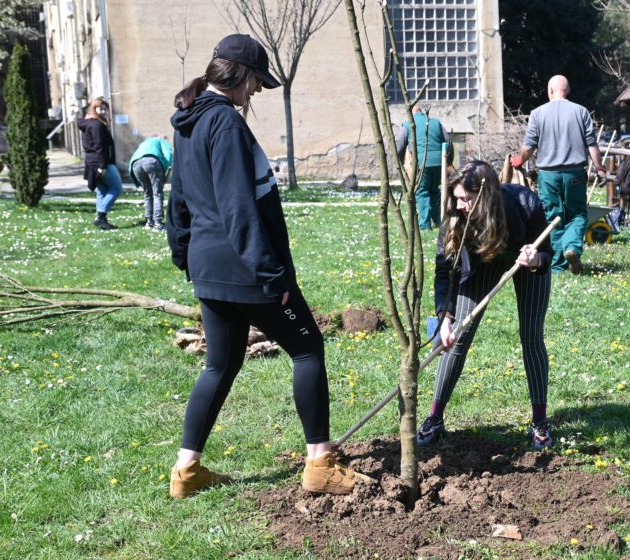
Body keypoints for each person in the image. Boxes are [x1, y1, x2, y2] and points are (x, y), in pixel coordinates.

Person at [166, 34, 365, 498]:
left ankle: (186, 471)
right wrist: (271, 275)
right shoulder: (225, 123)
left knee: (220, 365)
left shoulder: (188, 119)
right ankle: (320, 464)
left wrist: (183, 252)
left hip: (209, 265)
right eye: (257, 82)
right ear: (243, 75)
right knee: (307, 347)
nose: (257, 91)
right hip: (245, 268)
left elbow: (179, 197)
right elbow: (238, 206)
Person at [416, 160, 555, 450]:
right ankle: (434, 417)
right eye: (456, 197)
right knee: (456, 337)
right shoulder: (455, 218)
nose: (459, 204)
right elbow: (445, 271)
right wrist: (445, 317)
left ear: (485, 196)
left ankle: (539, 421)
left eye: (465, 199)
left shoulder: (525, 204)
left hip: (524, 264)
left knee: (531, 336)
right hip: (481, 266)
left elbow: (545, 256)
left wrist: (534, 260)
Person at [512, 75, 604, 274]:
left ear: (550, 90)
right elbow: (591, 143)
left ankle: (558, 266)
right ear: (567, 90)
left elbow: (529, 146)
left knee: (552, 216)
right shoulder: (581, 111)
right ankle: (572, 248)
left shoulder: (538, 113)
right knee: (577, 214)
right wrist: (599, 166)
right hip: (575, 174)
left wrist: (520, 159)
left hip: (548, 175)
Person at [395, 105, 453, 229]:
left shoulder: (408, 125)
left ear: (411, 113)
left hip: (421, 163)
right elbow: (448, 141)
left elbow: (400, 146)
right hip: (439, 162)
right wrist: (448, 160)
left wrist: (399, 161)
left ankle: (425, 225)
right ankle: (438, 221)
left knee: (422, 191)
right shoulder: (436, 123)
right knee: (434, 190)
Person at [78, 97, 122, 230]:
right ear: (93, 109)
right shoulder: (96, 125)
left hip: (93, 161)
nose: (103, 111)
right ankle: (101, 217)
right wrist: (102, 166)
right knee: (116, 188)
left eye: (104, 109)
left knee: (102, 190)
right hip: (100, 162)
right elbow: (99, 146)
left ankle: (102, 220)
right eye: (100, 108)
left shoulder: (91, 123)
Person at [128, 134, 173, 231]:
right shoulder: (160, 141)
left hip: (136, 164)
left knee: (148, 194)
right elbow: (169, 154)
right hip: (152, 161)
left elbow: (133, 158)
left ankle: (149, 222)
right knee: (157, 193)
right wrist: (166, 170)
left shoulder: (143, 143)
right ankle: (158, 224)